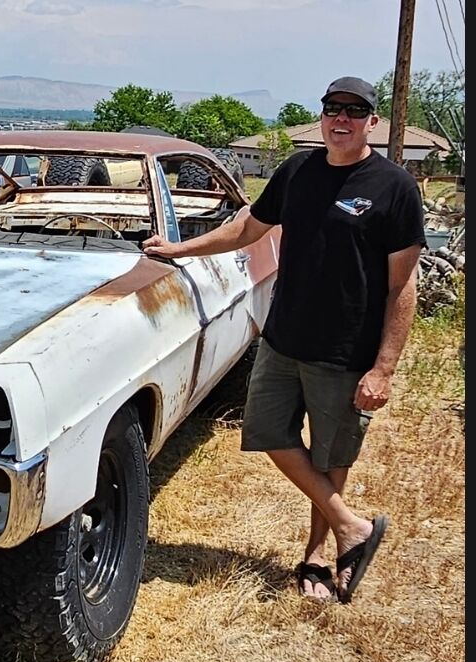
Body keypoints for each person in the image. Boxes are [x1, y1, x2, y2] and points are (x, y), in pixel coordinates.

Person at [142, 76, 424, 603]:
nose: (342, 119)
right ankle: (353, 528)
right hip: (282, 339)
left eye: (355, 111)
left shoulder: (394, 188)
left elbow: (402, 285)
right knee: (268, 433)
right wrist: (181, 250)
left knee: (329, 457)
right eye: (333, 109)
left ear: (373, 122)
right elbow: (250, 226)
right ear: (322, 117)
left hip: (345, 351)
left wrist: (383, 368)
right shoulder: (297, 171)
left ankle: (319, 559)